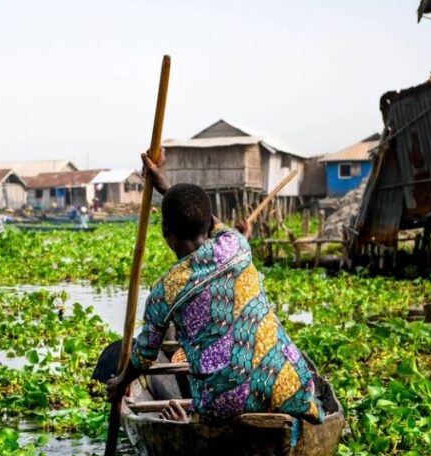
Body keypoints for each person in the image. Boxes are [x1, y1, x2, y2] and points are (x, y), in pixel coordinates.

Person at [105, 152, 324, 425]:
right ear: (209, 227)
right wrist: (166, 186)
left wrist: (120, 381)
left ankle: (190, 421)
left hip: (223, 405)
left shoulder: (164, 292)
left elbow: (145, 354)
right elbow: (209, 220)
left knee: (209, 406)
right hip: (290, 384)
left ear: (165, 232)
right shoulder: (236, 243)